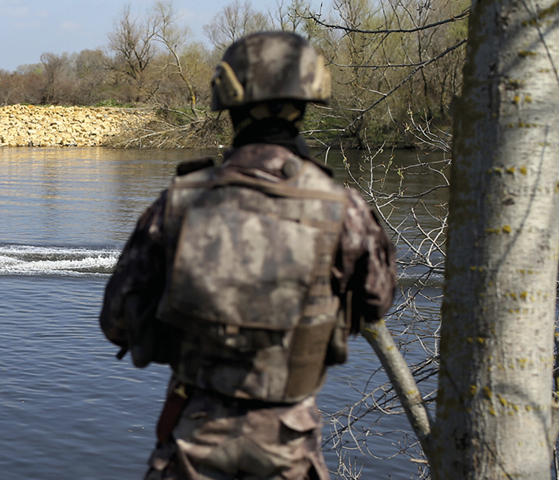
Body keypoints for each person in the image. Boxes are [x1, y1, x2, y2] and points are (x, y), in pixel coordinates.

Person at [98, 31, 397, 480]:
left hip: (193, 439)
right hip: (289, 446)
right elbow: (376, 301)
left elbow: (117, 321)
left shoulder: (179, 202)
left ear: (229, 101)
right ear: (306, 102)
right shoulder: (343, 209)